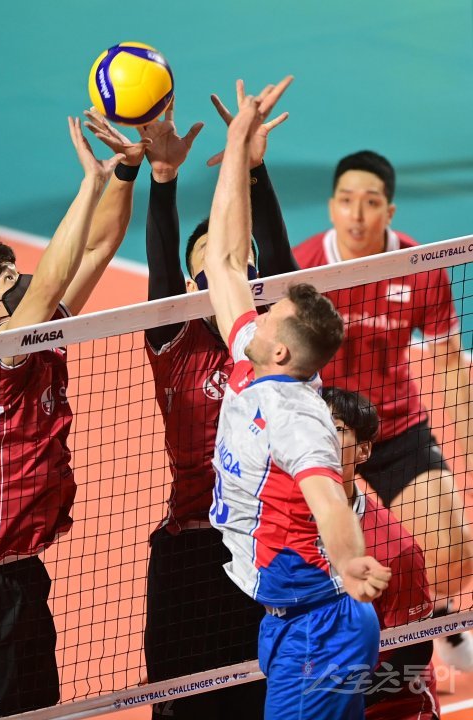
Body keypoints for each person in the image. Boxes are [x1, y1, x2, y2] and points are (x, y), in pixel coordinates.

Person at [0, 117, 146, 720]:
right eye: (9, 278)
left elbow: (96, 249)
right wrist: (88, 184)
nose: (26, 280)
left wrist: (126, 170)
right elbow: (46, 287)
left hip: (22, 576)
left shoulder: (39, 339)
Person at [86, 83, 298, 718]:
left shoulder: (272, 343)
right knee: (180, 705)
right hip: (190, 547)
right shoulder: (173, 341)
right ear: (189, 282)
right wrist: (163, 178)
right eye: (207, 262)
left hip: (264, 542)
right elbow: (160, 263)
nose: (224, 271)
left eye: (236, 262)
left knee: (260, 699)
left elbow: (280, 264)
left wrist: (254, 171)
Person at [203, 86, 391, 720]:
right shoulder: (252, 362)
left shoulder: (297, 418)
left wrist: (351, 562)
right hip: (293, 619)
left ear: (280, 351)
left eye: (269, 315)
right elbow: (226, 262)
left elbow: (328, 499)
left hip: (323, 628)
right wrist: (237, 147)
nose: (257, 314)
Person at [293, 150, 473, 669]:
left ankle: (430, 611)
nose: (356, 214)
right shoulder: (304, 267)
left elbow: (449, 364)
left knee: (455, 556)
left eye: (370, 203)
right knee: (310, 565)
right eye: (346, 201)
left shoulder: (419, 266)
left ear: (389, 211)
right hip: (321, 434)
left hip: (394, 425)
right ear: (331, 206)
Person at [323, 386, 440, 719]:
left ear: (362, 451)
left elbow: (414, 652)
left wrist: (350, 700)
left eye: (337, 428)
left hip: (391, 706)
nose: (321, 436)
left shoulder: (396, 548)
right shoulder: (277, 525)